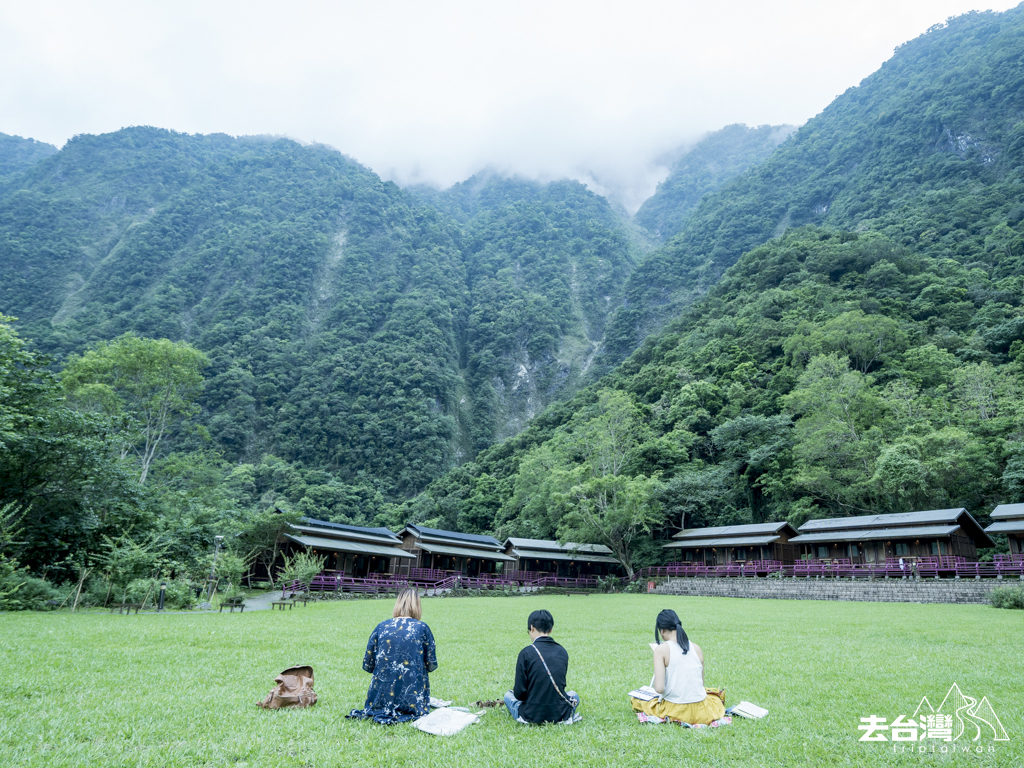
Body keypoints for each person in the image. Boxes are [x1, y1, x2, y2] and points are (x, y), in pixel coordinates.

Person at [346, 587, 437, 724]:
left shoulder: (381, 627)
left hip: (381, 697)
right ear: (418, 606)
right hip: (412, 698)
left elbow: (368, 665)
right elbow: (431, 664)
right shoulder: (422, 628)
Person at [629, 608, 725, 725]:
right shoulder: (696, 648)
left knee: (637, 700)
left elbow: (659, 688)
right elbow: (701, 684)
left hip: (676, 709)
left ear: (662, 630)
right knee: (713, 697)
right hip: (701, 710)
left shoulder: (661, 650)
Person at [504, 609, 580, 724]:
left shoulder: (526, 653)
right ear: (551, 629)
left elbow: (519, 694)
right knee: (574, 695)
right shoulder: (562, 651)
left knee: (508, 696)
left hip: (531, 715)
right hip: (560, 713)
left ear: (532, 628)